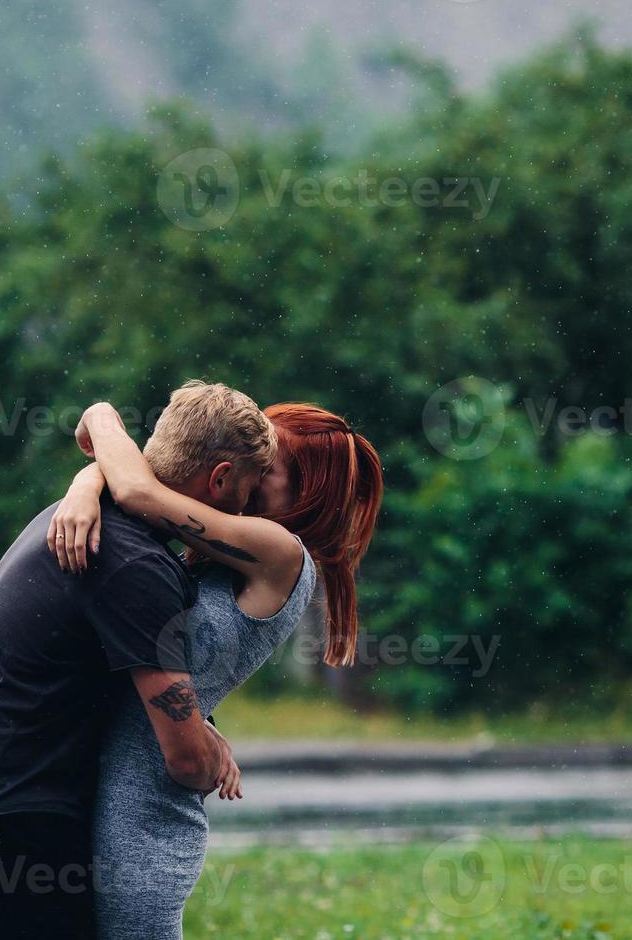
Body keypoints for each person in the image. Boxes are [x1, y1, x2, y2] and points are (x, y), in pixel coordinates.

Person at [0, 381, 276, 939]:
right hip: (17, 810)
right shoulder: (139, 567)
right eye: (248, 490)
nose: (248, 510)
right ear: (220, 477)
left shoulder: (91, 516)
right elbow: (182, 759)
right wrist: (211, 756)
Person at [48, 396, 383, 938]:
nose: (244, 479)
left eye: (266, 470)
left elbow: (138, 491)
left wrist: (103, 421)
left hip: (143, 831)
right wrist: (86, 486)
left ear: (305, 492)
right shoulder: (225, 553)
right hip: (103, 805)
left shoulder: (282, 553)